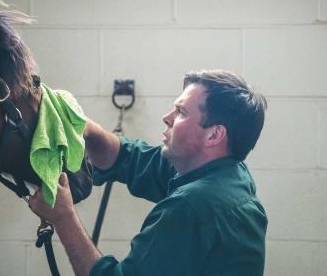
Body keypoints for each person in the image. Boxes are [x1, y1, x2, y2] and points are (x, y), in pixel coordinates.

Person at [29, 69, 268, 276]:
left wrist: (64, 218)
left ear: (214, 135)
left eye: (181, 113)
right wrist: (87, 128)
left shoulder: (192, 207)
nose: (167, 118)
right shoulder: (229, 175)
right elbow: (128, 158)